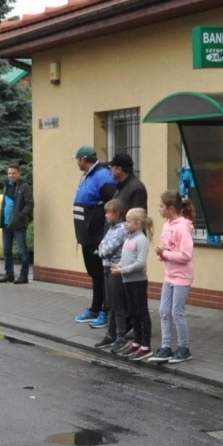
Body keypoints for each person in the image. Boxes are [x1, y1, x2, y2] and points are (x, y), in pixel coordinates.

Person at [146, 194, 194, 364]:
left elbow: (186, 255)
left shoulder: (182, 228)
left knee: (176, 312)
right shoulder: (167, 226)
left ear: (171, 209)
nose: (159, 210)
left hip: (182, 276)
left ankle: (184, 349)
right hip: (170, 274)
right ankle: (165, 347)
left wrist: (165, 253)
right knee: (164, 311)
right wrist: (161, 253)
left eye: (161, 207)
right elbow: (166, 247)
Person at [71, 146, 116, 324]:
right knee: (94, 274)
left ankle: (106, 310)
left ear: (83, 159)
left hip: (97, 236)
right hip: (86, 236)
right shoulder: (88, 176)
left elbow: (111, 207)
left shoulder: (103, 176)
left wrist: (104, 235)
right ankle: (95, 308)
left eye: (77, 159)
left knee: (101, 274)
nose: (77, 162)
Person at [113, 207, 152, 358]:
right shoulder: (129, 239)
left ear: (138, 223)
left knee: (142, 313)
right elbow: (126, 258)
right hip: (128, 281)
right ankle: (136, 342)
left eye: (129, 221)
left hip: (138, 282)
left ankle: (145, 345)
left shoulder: (141, 240)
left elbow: (140, 264)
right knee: (134, 312)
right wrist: (119, 265)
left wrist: (122, 270)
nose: (126, 224)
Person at [92, 200, 129, 352]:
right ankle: (111, 334)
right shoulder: (111, 229)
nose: (106, 215)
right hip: (106, 267)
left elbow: (106, 250)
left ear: (117, 214)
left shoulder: (122, 229)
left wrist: (102, 250)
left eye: (109, 212)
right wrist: (102, 249)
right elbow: (102, 244)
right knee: (110, 303)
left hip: (115, 268)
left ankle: (121, 336)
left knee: (118, 304)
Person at [0, 165, 33, 284]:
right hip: (6, 224)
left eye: (14, 173)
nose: (11, 175)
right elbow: (5, 204)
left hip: (18, 224)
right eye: (9, 173)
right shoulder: (7, 186)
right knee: (7, 250)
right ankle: (9, 274)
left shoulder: (24, 187)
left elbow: (29, 204)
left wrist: (21, 216)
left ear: (19, 173)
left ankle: (23, 276)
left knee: (22, 250)